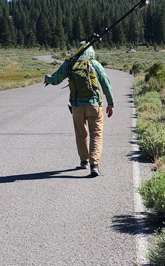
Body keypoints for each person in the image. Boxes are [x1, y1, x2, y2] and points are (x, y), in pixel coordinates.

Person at [44, 42, 114, 177]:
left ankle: (84, 161)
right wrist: (110, 104)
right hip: (94, 105)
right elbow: (106, 83)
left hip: (76, 106)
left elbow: (56, 79)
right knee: (96, 135)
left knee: (81, 134)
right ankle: (94, 165)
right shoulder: (94, 64)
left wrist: (47, 78)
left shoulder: (69, 64)